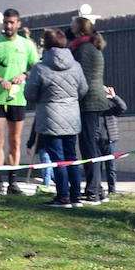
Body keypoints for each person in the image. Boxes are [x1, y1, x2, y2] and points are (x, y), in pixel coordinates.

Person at [24, 27, 88, 208]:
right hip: (72, 116)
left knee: (58, 159)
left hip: (50, 117)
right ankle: (76, 195)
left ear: (46, 45)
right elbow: (83, 90)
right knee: (71, 157)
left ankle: (63, 196)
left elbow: (30, 94)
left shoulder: (41, 68)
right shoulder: (76, 66)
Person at [0, 8, 39, 197]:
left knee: (15, 140)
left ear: (18, 24)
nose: (8, 26)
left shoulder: (26, 44)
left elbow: (37, 68)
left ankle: (13, 182)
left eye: (12, 22)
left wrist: (25, 75)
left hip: (17, 99)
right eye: (6, 22)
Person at [70, 16, 109, 204]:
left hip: (89, 102)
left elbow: (81, 80)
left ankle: (93, 190)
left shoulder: (83, 49)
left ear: (79, 30)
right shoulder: (92, 46)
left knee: (89, 146)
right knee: (92, 144)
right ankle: (97, 188)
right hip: (95, 100)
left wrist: (74, 98)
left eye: (72, 25)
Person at [99, 85, 129, 196]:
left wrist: (114, 97)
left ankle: (112, 189)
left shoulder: (111, 104)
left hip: (109, 139)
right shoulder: (94, 106)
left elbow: (123, 108)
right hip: (97, 140)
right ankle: (98, 189)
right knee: (97, 166)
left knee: (110, 167)